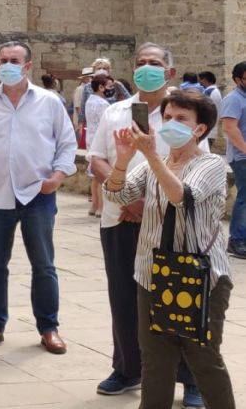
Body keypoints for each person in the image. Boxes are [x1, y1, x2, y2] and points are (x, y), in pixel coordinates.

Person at [88, 43, 205, 403]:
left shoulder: (183, 114)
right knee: (124, 298)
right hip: (119, 218)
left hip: (169, 223)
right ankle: (127, 368)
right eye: (140, 63)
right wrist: (127, 198)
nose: (145, 68)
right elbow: (96, 159)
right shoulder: (115, 111)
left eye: (154, 63)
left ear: (169, 72)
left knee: (178, 299)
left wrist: (148, 203)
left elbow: (197, 165)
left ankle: (190, 379)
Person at [104, 90, 234, 409]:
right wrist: (123, 159)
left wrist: (150, 156)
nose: (170, 123)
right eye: (167, 117)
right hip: (152, 274)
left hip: (202, 277)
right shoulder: (156, 164)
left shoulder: (211, 164)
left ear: (199, 129)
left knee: (202, 358)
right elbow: (116, 195)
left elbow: (183, 197)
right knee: (155, 360)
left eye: (181, 118)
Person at [0, 41, 75, 355]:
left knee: (44, 265)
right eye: (3, 60)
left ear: (28, 66)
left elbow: (67, 143)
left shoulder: (49, 102)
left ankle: (49, 327)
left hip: (37, 194)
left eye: (14, 60)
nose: (8, 65)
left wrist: (58, 177)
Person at [218, 60, 246, 260]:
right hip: (241, 157)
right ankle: (236, 241)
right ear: (237, 79)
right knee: (244, 198)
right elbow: (229, 128)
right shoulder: (234, 99)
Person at [84, 73, 114, 218]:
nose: (111, 89)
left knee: (95, 176)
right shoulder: (103, 104)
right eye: (110, 86)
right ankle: (101, 207)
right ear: (101, 87)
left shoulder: (90, 100)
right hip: (101, 141)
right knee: (101, 176)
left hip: (91, 139)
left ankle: (94, 205)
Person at [197, 71, 222, 148]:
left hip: (206, 131)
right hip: (211, 130)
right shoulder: (215, 91)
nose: (199, 83)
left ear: (204, 80)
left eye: (199, 80)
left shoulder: (208, 92)